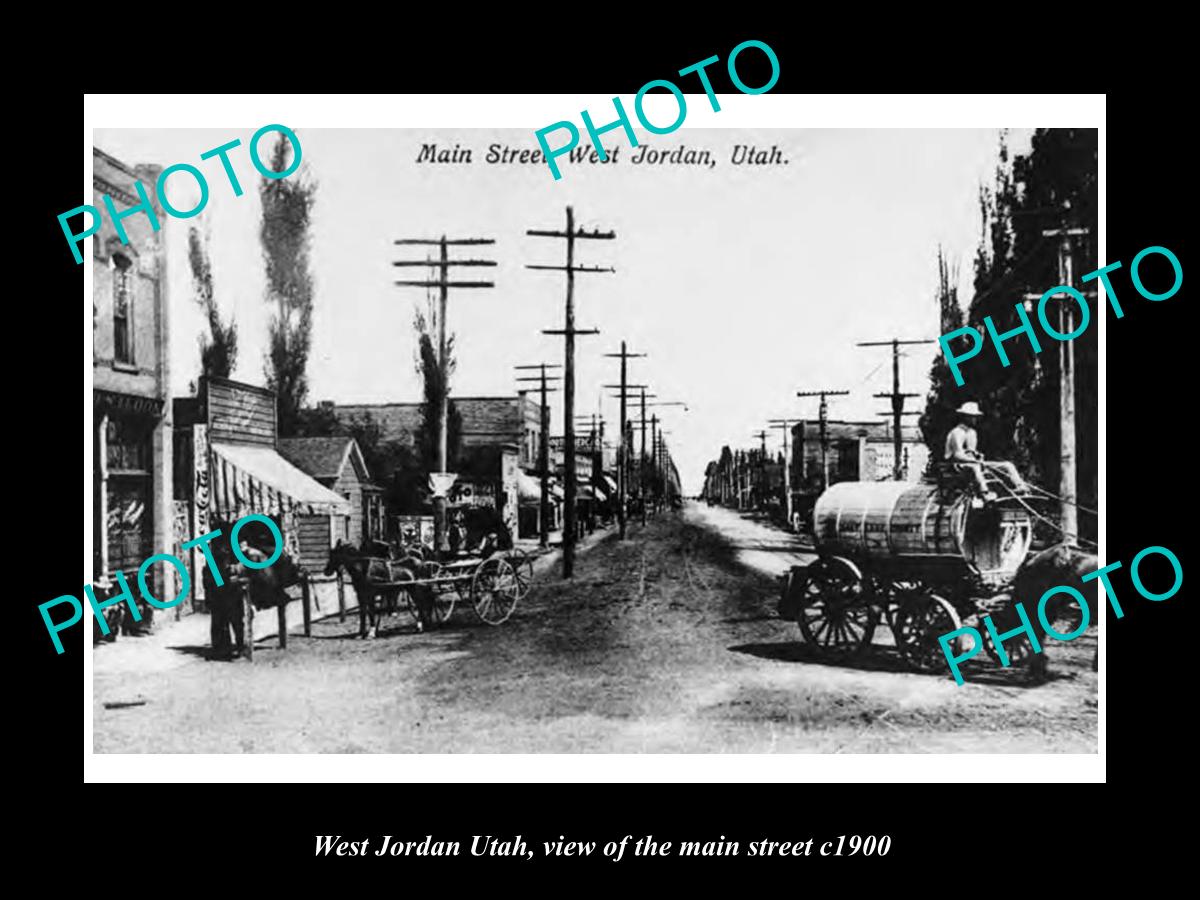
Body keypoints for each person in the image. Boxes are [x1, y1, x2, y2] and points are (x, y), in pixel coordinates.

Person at [944, 401, 1026, 501]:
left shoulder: (972, 432)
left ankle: (1020, 487)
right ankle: (985, 492)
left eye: (975, 416)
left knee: (1008, 465)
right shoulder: (957, 432)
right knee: (975, 467)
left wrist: (978, 455)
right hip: (958, 465)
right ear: (965, 417)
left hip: (973, 463)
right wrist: (975, 461)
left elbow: (971, 451)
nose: (975, 419)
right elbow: (957, 455)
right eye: (972, 416)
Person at [204, 529, 245, 661]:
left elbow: (208, 578)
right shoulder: (223, 556)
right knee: (231, 622)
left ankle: (226, 648)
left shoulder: (219, 556)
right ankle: (232, 648)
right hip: (225, 593)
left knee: (225, 622)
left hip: (225, 593)